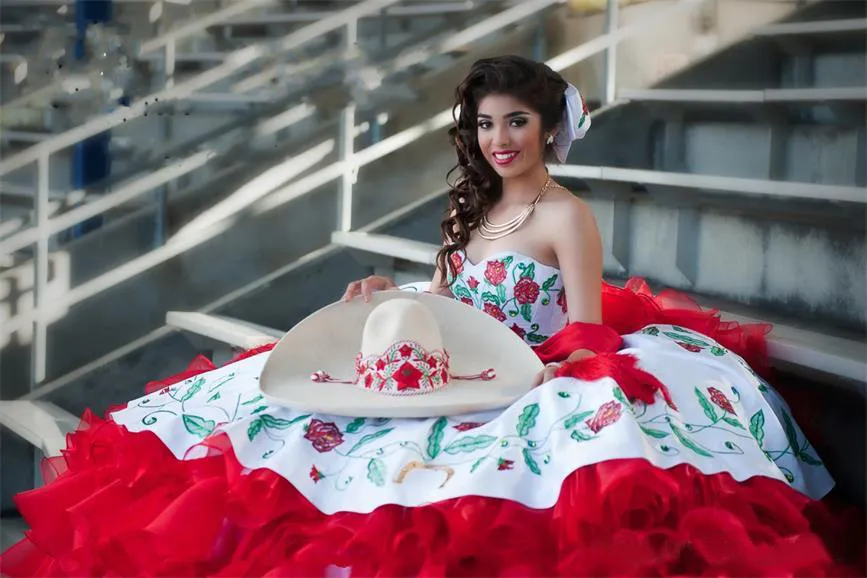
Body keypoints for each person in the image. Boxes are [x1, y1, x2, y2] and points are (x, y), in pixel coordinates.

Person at [1, 56, 863, 577]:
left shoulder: (565, 215)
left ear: (547, 128)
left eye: (517, 122)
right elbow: (448, 304)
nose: (499, 140)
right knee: (272, 413)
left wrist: (554, 369)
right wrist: (388, 301)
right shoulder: (470, 208)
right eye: (486, 124)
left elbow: (589, 326)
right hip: (460, 354)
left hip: (535, 360)